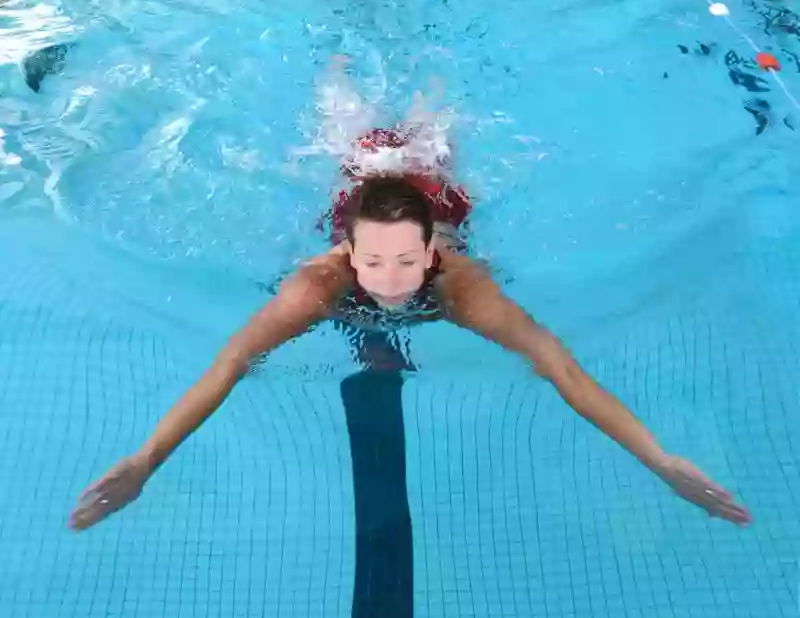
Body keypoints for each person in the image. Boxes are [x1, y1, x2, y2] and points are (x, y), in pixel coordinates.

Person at [69, 121, 751, 532]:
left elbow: (560, 368)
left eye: (405, 263)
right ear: (347, 251)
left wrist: (657, 459)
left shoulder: (463, 287)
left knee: (435, 149)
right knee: (353, 146)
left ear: (430, 254)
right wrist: (148, 459)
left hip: (432, 195)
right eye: (372, 263)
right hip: (365, 193)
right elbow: (229, 364)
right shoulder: (317, 285)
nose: (390, 280)